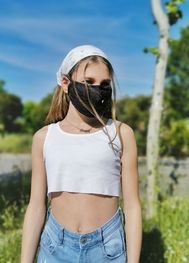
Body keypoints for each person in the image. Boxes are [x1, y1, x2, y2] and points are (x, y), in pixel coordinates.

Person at [20, 45, 142, 263]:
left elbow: (132, 207)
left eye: (104, 84)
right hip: (55, 246)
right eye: (88, 82)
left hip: (107, 249)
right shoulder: (44, 138)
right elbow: (36, 206)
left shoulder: (121, 134)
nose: (98, 90)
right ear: (66, 83)